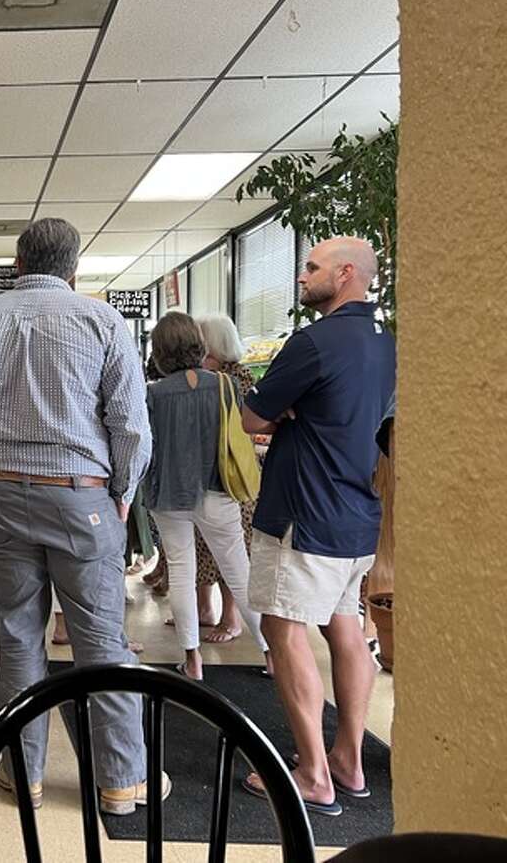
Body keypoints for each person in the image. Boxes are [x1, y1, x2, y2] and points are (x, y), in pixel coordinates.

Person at [0, 217, 169, 815]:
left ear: (16, 264)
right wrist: (122, 492)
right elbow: (131, 427)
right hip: (81, 496)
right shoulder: (102, 321)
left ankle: (22, 775)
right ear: (74, 268)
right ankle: (120, 781)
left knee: (17, 637)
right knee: (101, 641)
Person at [241, 236, 395, 816]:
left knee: (284, 633)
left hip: (304, 513)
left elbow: (253, 414)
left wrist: (286, 410)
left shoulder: (314, 342)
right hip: (357, 513)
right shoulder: (388, 343)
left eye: (312, 267)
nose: (302, 277)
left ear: (347, 274)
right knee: (344, 626)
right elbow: (378, 422)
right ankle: (348, 761)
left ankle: (311, 773)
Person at [144, 312, 269, 681]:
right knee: (238, 571)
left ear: (160, 351)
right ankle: (270, 652)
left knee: (182, 572)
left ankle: (192, 658)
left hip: (167, 493)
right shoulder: (226, 386)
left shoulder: (152, 394)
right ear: (198, 344)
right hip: (218, 490)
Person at [194, 313, 259, 643]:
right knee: (204, 547)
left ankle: (230, 618)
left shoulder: (238, 378)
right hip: (205, 475)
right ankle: (204, 609)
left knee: (231, 553)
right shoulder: (204, 377)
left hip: (232, 476)